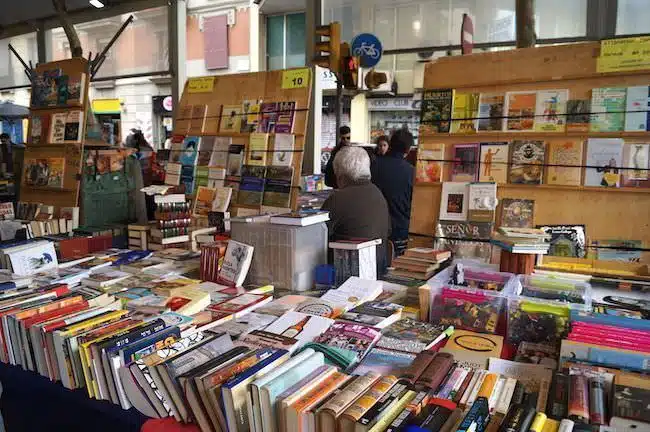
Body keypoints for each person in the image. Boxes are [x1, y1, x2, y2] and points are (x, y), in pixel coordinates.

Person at [321, 146, 391, 276]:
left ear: (340, 176)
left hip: (347, 274)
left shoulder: (338, 199)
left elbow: (316, 238)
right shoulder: (377, 193)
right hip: (377, 271)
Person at [371, 128, 415, 257]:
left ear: (390, 145)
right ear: (408, 150)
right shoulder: (411, 172)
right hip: (401, 232)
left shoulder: (373, 166)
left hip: (374, 230)